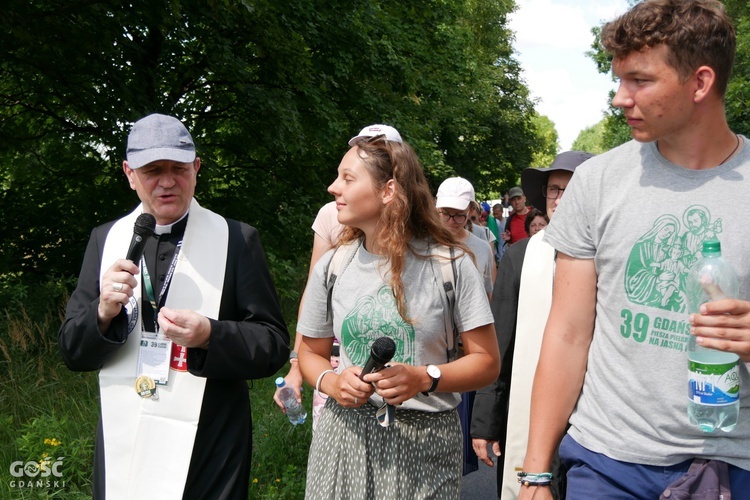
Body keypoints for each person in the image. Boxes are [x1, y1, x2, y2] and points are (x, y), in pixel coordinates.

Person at [520, 2, 750, 498]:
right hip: (608, 463)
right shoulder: (597, 181)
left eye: (639, 80)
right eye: (617, 80)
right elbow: (567, 333)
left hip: (733, 464)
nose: (620, 98)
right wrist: (536, 472)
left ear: (700, 82)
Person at [58, 113, 290, 500]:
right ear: (129, 173)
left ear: (196, 169)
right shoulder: (105, 240)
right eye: (153, 170)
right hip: (126, 432)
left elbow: (273, 345)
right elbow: (72, 352)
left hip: (209, 440)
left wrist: (210, 335)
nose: (167, 182)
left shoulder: (237, 239)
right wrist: (101, 314)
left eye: (178, 169)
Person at [296, 134, 500, 499]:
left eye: (347, 178)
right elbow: (309, 353)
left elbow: (486, 362)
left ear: (388, 190)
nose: (332, 188)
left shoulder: (451, 265)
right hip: (344, 441)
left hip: (425, 447)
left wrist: (424, 377)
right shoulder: (333, 265)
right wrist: (331, 383)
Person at [470, 151, 593, 499]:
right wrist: (485, 422)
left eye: (571, 189)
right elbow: (501, 342)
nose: (560, 198)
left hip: (593, 416)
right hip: (527, 406)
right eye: (554, 189)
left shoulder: (611, 256)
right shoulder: (521, 256)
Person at [272, 124, 402, 423]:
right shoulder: (332, 213)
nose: (336, 187)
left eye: (379, 150)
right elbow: (314, 292)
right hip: (338, 358)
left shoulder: (426, 242)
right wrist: (297, 364)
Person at [436, 178, 496, 298]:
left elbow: (486, 293)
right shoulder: (423, 244)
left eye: (459, 215)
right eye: (446, 213)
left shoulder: (483, 248)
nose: (452, 221)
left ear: (471, 210)